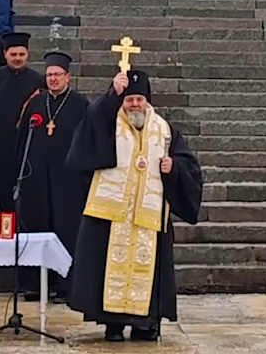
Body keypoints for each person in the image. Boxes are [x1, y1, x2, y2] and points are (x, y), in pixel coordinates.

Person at [66, 69, 203, 342]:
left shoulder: (164, 131)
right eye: (129, 100)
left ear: (148, 101)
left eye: (139, 99)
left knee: (147, 274)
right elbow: (88, 129)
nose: (134, 105)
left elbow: (190, 165)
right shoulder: (108, 123)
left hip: (148, 218)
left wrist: (174, 167)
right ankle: (113, 325)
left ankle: (145, 324)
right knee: (107, 269)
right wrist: (111, 94)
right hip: (112, 215)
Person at [18, 53, 91, 302]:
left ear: (68, 77)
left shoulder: (81, 104)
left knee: (66, 230)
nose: (53, 79)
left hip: (68, 181)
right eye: (49, 75)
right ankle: (36, 284)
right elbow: (22, 139)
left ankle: (66, 285)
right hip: (37, 178)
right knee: (37, 227)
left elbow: (89, 142)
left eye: (57, 75)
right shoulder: (36, 103)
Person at [0, 33, 42, 208]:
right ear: (5, 54)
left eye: (21, 54)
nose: (17, 58)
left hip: (27, 153)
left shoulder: (38, 81)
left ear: (27, 54)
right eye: (13, 54)